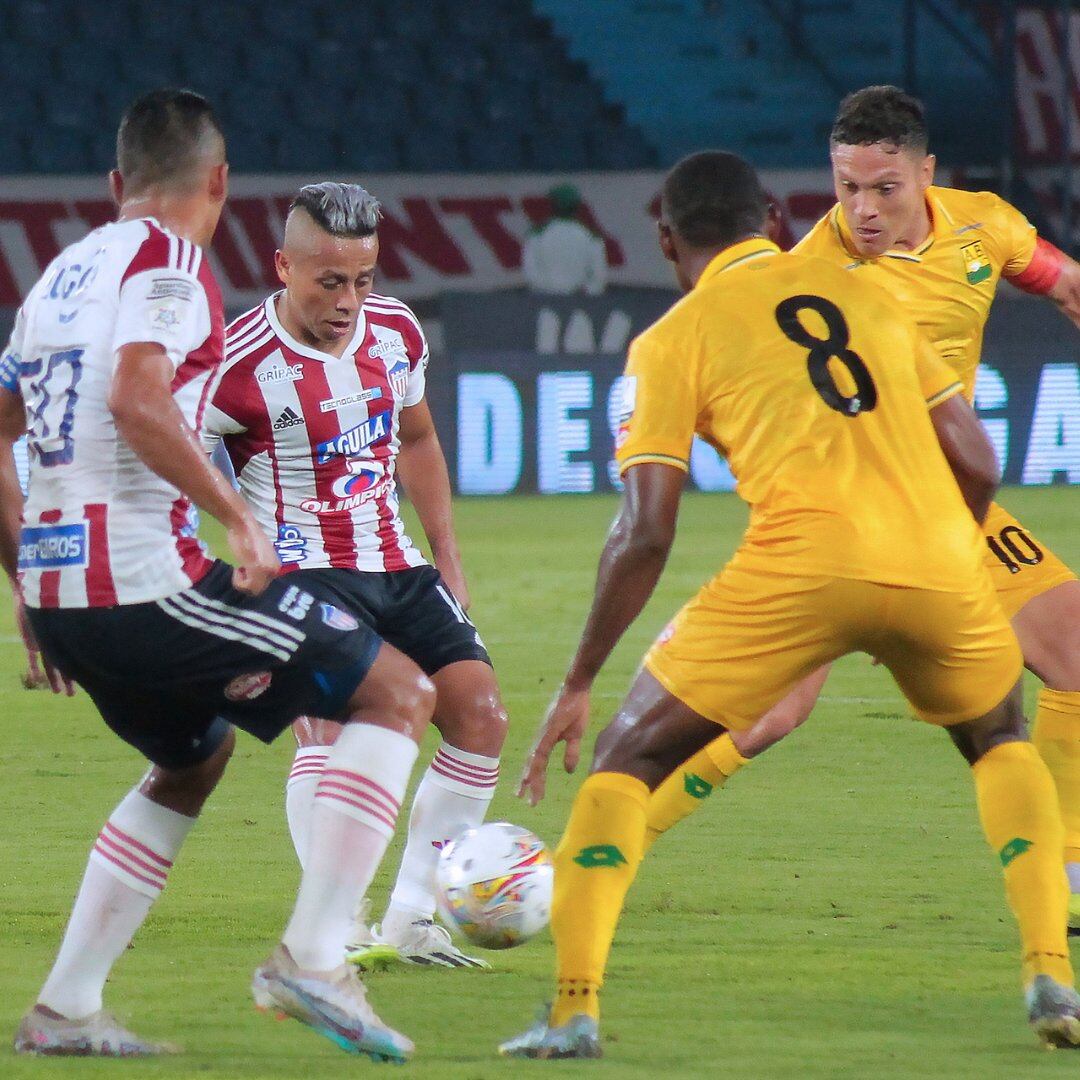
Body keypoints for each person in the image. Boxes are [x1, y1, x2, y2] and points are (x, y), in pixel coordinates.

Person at [504, 150, 1080, 1059]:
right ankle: (1050, 967)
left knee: (626, 759)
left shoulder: (672, 340)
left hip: (800, 565)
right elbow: (974, 456)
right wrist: (941, 550)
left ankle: (573, 1010)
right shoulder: (872, 295)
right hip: (937, 550)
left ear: (665, 240)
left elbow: (646, 529)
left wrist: (578, 678)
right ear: (774, 215)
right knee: (999, 740)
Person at [3, 90, 434, 1063]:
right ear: (219, 183)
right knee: (399, 694)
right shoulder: (173, 264)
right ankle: (316, 960)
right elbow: (136, 397)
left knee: (193, 757)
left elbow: (2, 437)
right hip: (145, 581)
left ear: (117, 184)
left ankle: (66, 1007)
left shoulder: (58, 278)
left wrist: (29, 582)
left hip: (69, 591)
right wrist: (239, 517)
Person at [637, 88, 1080, 920]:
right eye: (846, 188)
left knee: (1076, 652)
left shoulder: (988, 228)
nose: (864, 210)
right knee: (770, 714)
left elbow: (1064, 283)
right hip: (840, 515)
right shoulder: (809, 270)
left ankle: (1068, 872)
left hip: (948, 506)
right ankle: (617, 838)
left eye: (885, 188)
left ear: (927, 173)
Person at [202, 181, 509, 969]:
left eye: (363, 279)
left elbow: (418, 440)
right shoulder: (233, 365)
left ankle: (412, 918)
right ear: (282, 267)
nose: (349, 299)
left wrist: (447, 552)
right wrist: (232, 548)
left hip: (396, 562)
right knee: (331, 732)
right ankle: (332, 925)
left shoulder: (397, 331)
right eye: (329, 281)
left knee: (480, 716)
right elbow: (171, 463)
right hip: (301, 573)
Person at [522, 183, 608, 296]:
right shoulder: (591, 236)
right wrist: (586, 293)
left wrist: (548, 291)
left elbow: (531, 272)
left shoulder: (537, 234)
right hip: (581, 302)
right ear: (577, 206)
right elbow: (598, 276)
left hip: (543, 300)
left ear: (552, 205)